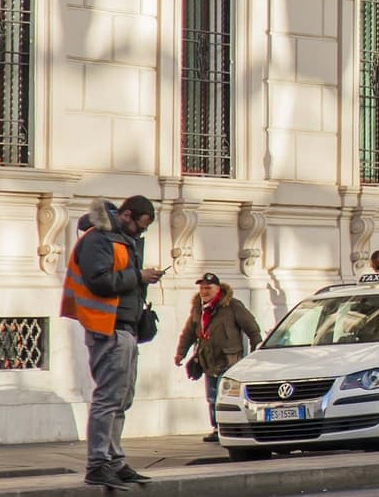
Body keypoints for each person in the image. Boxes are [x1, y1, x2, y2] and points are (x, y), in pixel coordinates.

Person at [61, 196, 161, 490]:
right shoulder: (98, 239)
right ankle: (98, 464)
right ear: (127, 214)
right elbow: (100, 281)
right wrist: (138, 276)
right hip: (108, 328)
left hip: (124, 328)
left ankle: (114, 461)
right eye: (140, 227)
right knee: (108, 398)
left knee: (122, 398)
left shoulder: (119, 238)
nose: (141, 233)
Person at [174, 272, 262, 443]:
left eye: (208, 288)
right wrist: (180, 353)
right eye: (202, 288)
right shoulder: (198, 308)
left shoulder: (232, 306)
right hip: (208, 361)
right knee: (212, 396)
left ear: (218, 289)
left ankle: (230, 426)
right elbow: (189, 333)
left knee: (226, 395)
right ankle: (217, 428)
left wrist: (256, 351)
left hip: (229, 361)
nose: (204, 291)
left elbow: (252, 328)